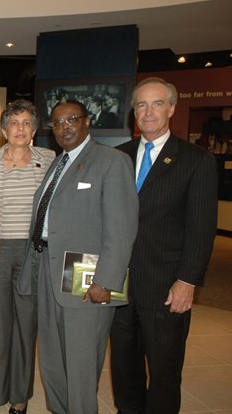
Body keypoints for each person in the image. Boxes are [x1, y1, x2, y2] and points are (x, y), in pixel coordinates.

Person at [18, 99, 138, 413]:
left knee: (82, 364)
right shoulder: (59, 163)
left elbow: (121, 229)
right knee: (54, 360)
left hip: (86, 278)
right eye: (57, 123)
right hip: (49, 270)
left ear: (87, 122)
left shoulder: (112, 161)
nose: (64, 127)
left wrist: (106, 282)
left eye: (71, 119)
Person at [110, 77, 218, 414]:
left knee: (164, 372)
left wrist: (187, 281)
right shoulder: (118, 157)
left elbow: (202, 229)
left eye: (157, 103)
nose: (148, 111)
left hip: (166, 286)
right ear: (134, 113)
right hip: (119, 284)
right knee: (124, 367)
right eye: (141, 104)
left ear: (172, 108)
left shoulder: (195, 160)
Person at [0, 102, 55, 413]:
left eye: (26, 123)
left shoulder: (49, 159)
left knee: (25, 328)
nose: (20, 128)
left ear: (34, 130)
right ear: (3, 131)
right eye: (14, 123)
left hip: (32, 254)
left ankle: (19, 399)